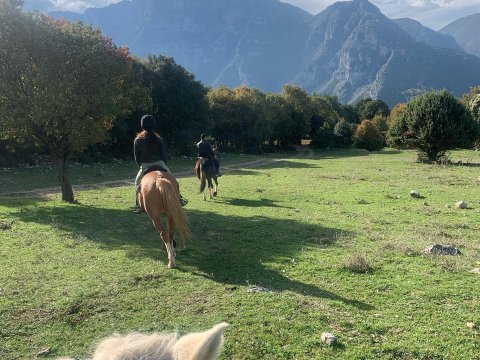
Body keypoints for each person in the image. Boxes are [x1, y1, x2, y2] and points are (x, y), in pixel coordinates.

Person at [133, 114, 187, 213]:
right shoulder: (158, 139)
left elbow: (137, 157)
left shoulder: (137, 140)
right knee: (174, 181)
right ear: (153, 125)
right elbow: (164, 155)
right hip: (160, 164)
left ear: (142, 125)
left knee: (137, 183)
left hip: (145, 166)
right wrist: (164, 165)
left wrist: (141, 166)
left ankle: (139, 206)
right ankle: (179, 199)